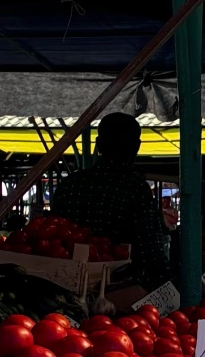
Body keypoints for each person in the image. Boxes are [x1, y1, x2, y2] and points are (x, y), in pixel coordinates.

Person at [50, 112, 171, 286]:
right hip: (118, 288)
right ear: (136, 147)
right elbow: (151, 251)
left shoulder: (70, 184)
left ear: (98, 145)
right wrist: (169, 285)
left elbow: (50, 240)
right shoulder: (135, 188)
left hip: (62, 282)